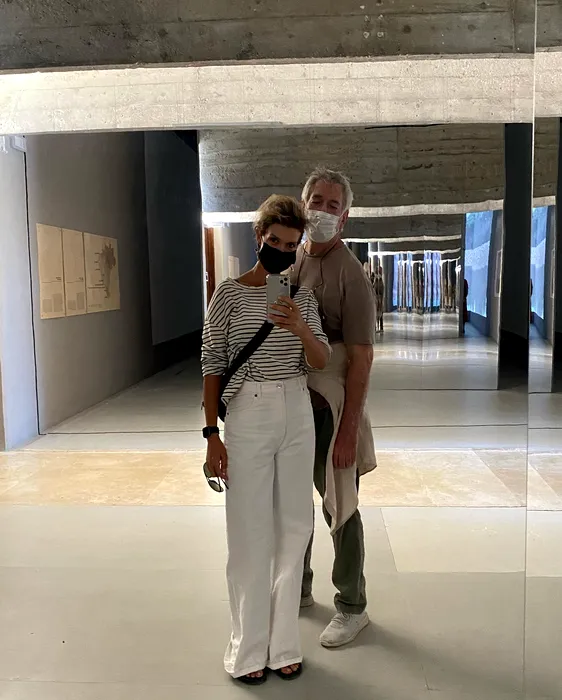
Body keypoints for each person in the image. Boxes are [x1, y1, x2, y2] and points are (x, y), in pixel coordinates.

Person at [201, 195, 330, 685]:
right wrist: (212, 435)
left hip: (296, 409)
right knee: (248, 531)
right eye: (275, 240)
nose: (282, 250)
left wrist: (299, 326)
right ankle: (247, 649)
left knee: (294, 528)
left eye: (291, 245)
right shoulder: (229, 295)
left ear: (299, 248)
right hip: (249, 412)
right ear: (259, 237)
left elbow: (320, 360)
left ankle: (284, 645)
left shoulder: (304, 299)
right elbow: (212, 364)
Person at [293, 168, 377, 648]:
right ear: (304, 204)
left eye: (332, 205)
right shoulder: (292, 260)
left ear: (344, 217)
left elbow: (362, 358)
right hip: (294, 403)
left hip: (335, 407)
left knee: (340, 505)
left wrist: (348, 432)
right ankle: (299, 587)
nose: (322, 211)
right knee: (292, 501)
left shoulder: (351, 274)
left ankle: (352, 605)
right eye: (316, 201)